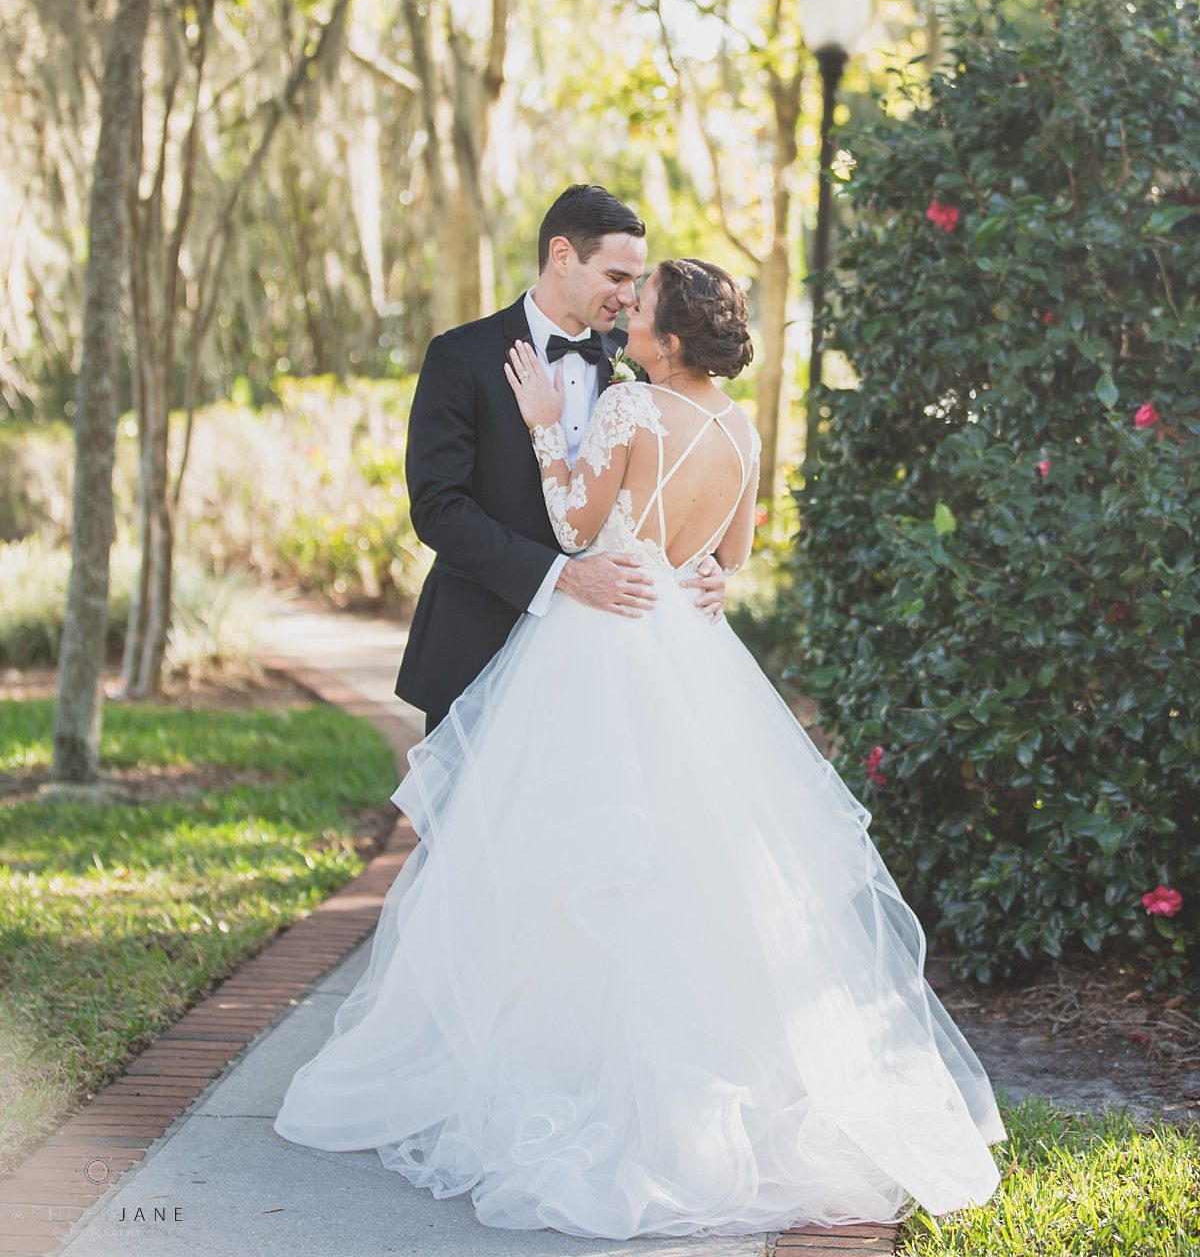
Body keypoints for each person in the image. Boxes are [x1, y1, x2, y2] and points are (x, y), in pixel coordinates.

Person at [274, 256, 1006, 1239]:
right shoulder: (742, 430)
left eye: (642, 310)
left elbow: (577, 524)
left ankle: (561, 1073)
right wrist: (694, 571)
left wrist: (543, 428)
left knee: (564, 853)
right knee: (689, 865)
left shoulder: (626, 409)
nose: (627, 321)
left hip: (599, 644)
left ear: (666, 339)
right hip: (691, 650)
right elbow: (732, 556)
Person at [393, 183, 728, 733]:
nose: (628, 297)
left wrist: (704, 565)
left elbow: (679, 477)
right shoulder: (461, 356)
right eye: (616, 277)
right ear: (563, 256)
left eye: (636, 282)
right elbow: (438, 508)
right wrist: (564, 577)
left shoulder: (639, 360)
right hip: (480, 642)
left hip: (604, 660)